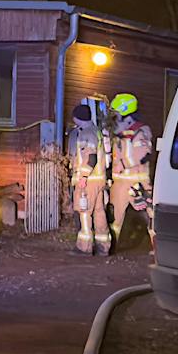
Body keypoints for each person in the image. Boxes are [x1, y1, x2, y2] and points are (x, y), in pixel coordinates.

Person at [109, 92, 155, 256]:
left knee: (150, 215)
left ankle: (158, 249)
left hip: (137, 181)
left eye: (116, 114)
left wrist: (122, 164)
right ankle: (110, 248)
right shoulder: (120, 132)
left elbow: (142, 155)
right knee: (114, 218)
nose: (114, 118)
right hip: (119, 182)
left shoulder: (140, 131)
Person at [68, 94, 111, 257]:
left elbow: (90, 158)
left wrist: (83, 178)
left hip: (89, 181)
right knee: (99, 212)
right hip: (98, 180)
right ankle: (103, 246)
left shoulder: (87, 133)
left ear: (78, 118)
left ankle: (84, 247)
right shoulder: (95, 131)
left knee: (84, 211)